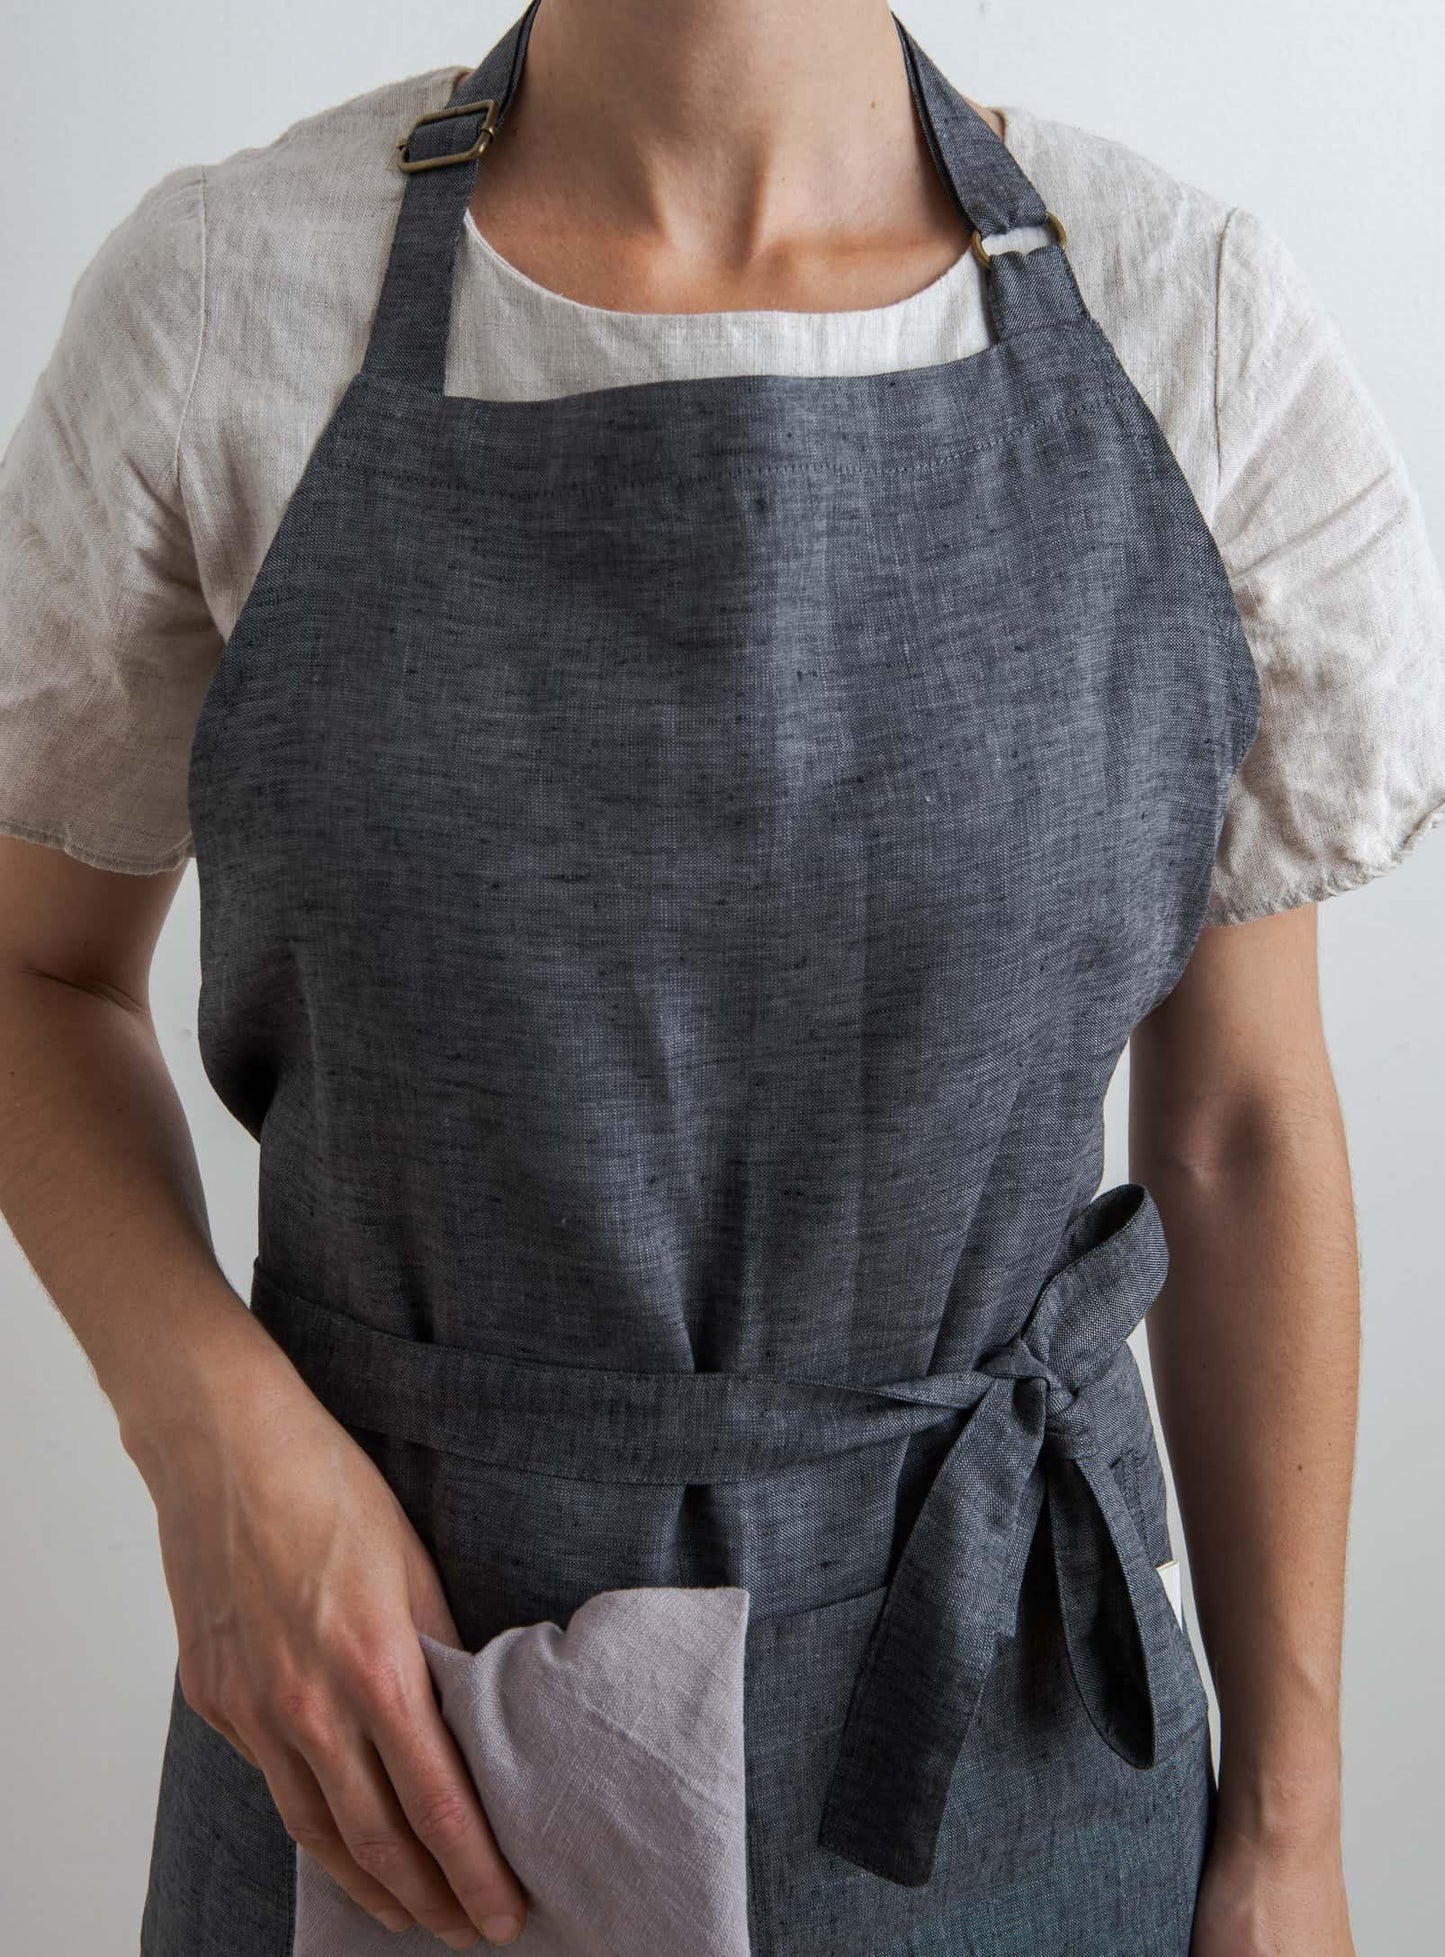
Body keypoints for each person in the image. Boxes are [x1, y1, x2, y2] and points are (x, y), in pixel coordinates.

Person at [2, 1, 1442, 1951]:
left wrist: (1289, 1835)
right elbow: (35, 970)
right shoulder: (229, 302)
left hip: (1016, 1762)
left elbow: (1244, 1126)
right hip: (404, 1752)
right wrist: (210, 1438)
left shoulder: (1190, 331)